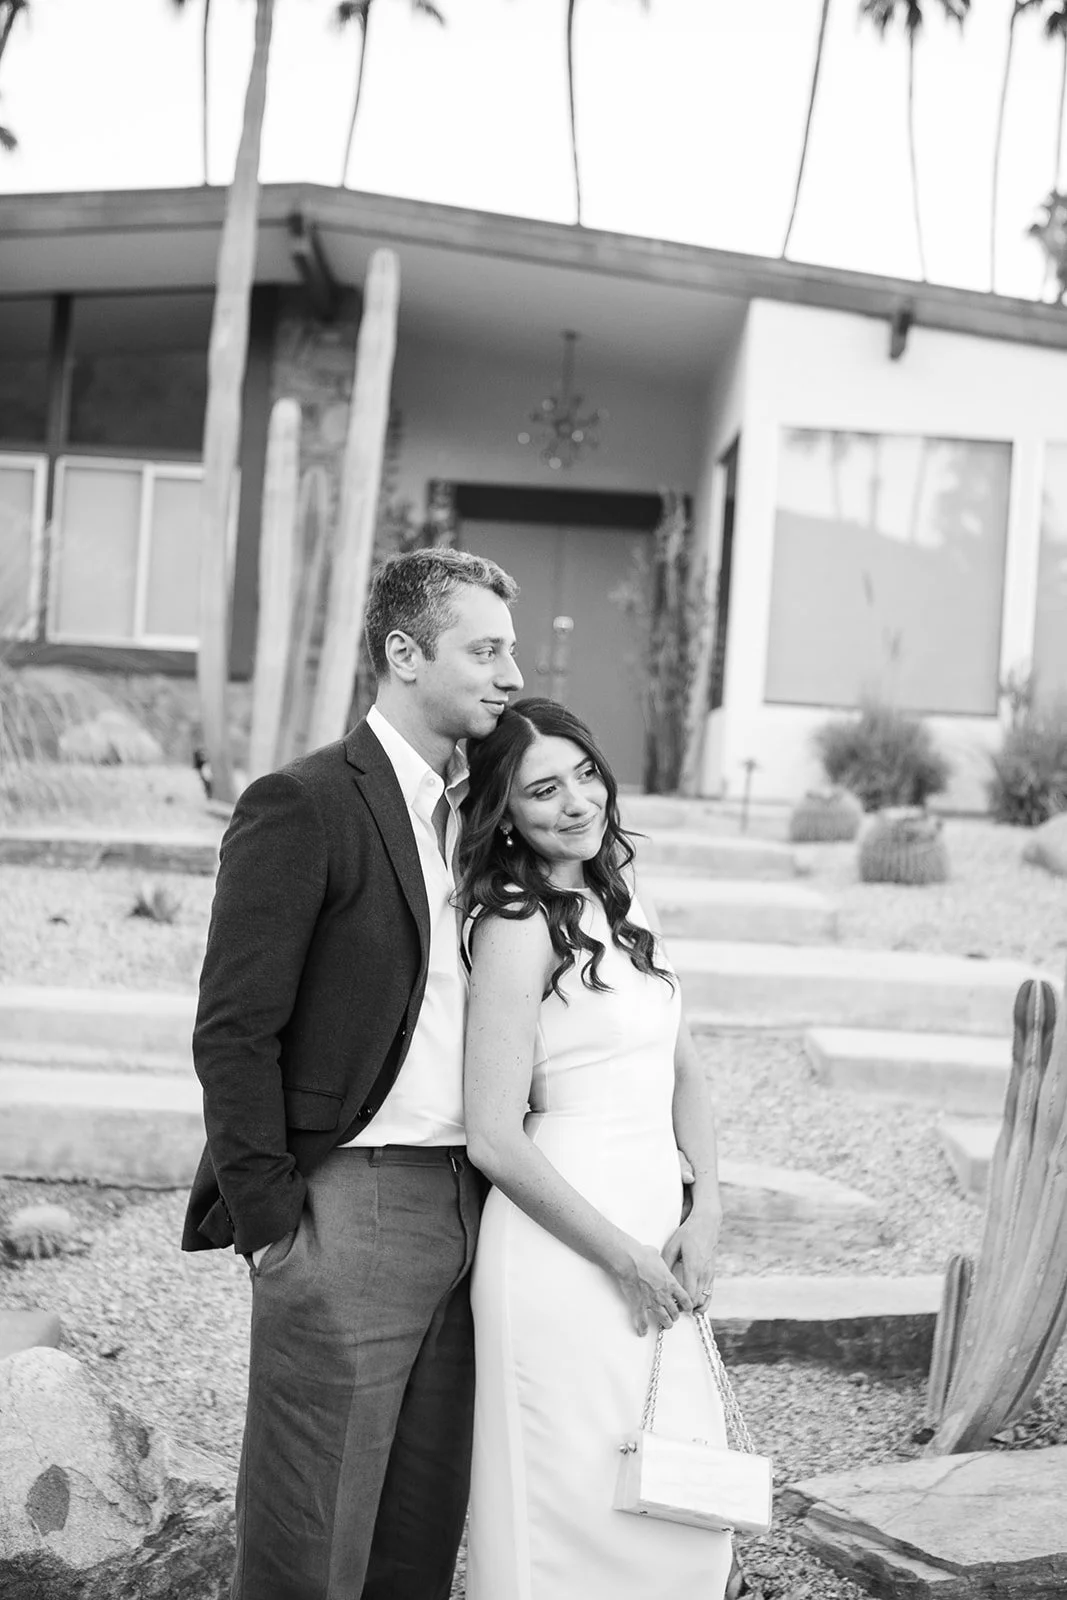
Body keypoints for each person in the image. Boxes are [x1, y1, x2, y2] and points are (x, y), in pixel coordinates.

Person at [181, 546, 523, 1600]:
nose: (509, 675)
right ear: (403, 652)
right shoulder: (303, 803)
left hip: (475, 1207)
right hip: (347, 1211)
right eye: (486, 649)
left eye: (510, 651)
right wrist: (274, 1225)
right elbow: (233, 1030)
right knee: (306, 1551)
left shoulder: (477, 823)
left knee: (415, 1540)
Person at [456, 696, 733, 1600]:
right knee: (571, 1498)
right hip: (562, 1245)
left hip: (657, 1228)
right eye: (543, 789)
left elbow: (683, 1069)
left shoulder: (616, 897)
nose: (576, 802)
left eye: (583, 774)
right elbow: (495, 1136)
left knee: (674, 1491)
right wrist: (623, 1256)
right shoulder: (513, 925)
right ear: (503, 810)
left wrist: (707, 1209)